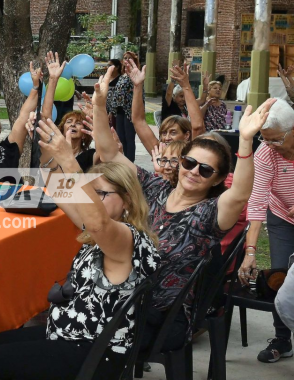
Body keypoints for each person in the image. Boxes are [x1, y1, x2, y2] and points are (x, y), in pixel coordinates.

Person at [94, 64, 273, 352]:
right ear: (180, 161)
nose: (193, 172)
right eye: (189, 163)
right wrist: (100, 105)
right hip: (121, 300)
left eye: (205, 170)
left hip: (160, 317)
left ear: (216, 179)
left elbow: (240, 194)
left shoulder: (209, 213)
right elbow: (111, 153)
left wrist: (246, 141)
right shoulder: (154, 187)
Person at [0, 117, 160, 379]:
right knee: (0, 340)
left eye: (99, 194)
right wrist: (53, 153)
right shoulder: (104, 230)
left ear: (127, 200)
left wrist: (70, 162)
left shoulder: (126, 237)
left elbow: (97, 222)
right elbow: (58, 189)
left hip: (95, 352)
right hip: (75, 333)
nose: (87, 200)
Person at [237, 99, 294, 364]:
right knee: (280, 276)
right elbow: (257, 202)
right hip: (281, 217)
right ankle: (282, 339)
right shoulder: (266, 154)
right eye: (265, 139)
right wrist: (250, 251)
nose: (270, 145)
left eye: (276, 139)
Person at [126, 59, 203, 156]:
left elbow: (197, 127)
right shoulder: (159, 151)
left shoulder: (191, 153)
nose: (167, 138)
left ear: (187, 135)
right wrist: (137, 86)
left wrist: (186, 86)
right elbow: (138, 121)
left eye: (173, 133)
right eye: (164, 133)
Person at [106, 58, 138, 161]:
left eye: (129, 58)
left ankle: (130, 161)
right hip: (118, 111)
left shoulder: (134, 76)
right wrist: (111, 110)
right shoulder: (122, 76)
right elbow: (116, 94)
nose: (126, 60)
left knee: (129, 138)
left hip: (129, 110)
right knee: (120, 137)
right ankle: (123, 159)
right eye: (125, 58)